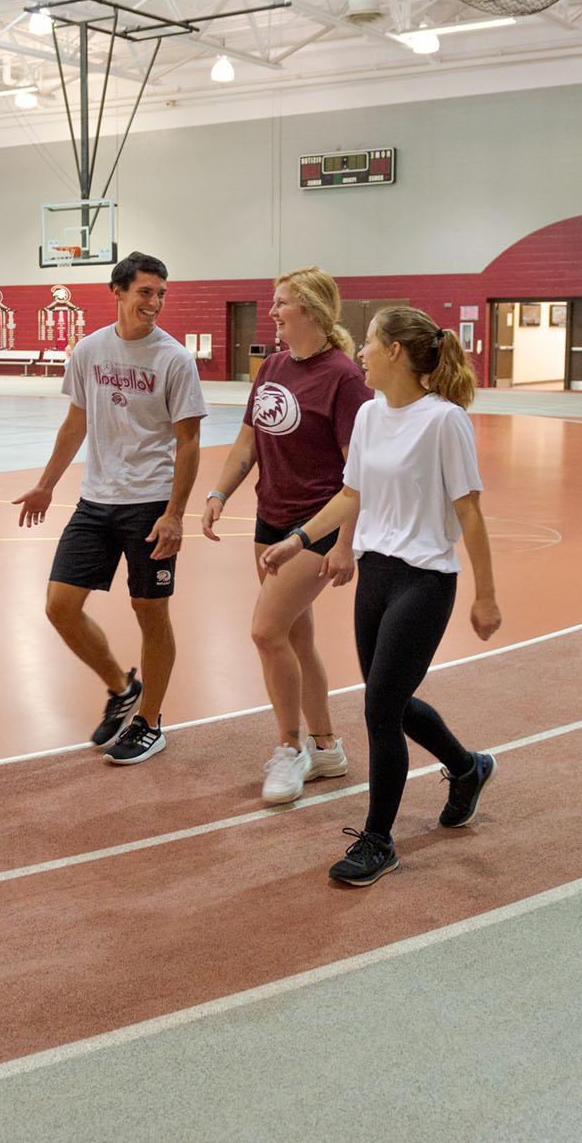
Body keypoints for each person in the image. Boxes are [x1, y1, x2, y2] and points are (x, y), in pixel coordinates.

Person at [261, 306, 501, 886]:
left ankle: (378, 840)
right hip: (377, 574)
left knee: (379, 709)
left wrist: (485, 596)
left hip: (425, 579)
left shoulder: (445, 421)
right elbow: (351, 495)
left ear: (395, 351)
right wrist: (299, 540)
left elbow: (468, 510)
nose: (360, 351)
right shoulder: (369, 415)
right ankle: (467, 768)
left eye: (369, 342)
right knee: (387, 699)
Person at [15, 252, 207, 765]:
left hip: (149, 503)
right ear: (118, 291)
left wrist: (175, 514)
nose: (155, 303)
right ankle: (123, 689)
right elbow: (75, 422)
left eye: (161, 294)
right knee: (59, 606)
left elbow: (188, 444)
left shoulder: (174, 359)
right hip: (96, 501)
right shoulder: (89, 350)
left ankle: (151, 723)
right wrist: (45, 485)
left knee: (150, 611)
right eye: (145, 292)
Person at [201, 267, 370, 803]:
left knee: (264, 631)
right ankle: (326, 748)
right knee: (297, 636)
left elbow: (358, 474)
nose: (271, 312)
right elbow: (246, 445)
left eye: (281, 304)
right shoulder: (272, 366)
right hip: (269, 520)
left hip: (314, 527)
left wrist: (343, 543)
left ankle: (288, 747)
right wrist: (218, 494)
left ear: (313, 312)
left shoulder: (344, 378)